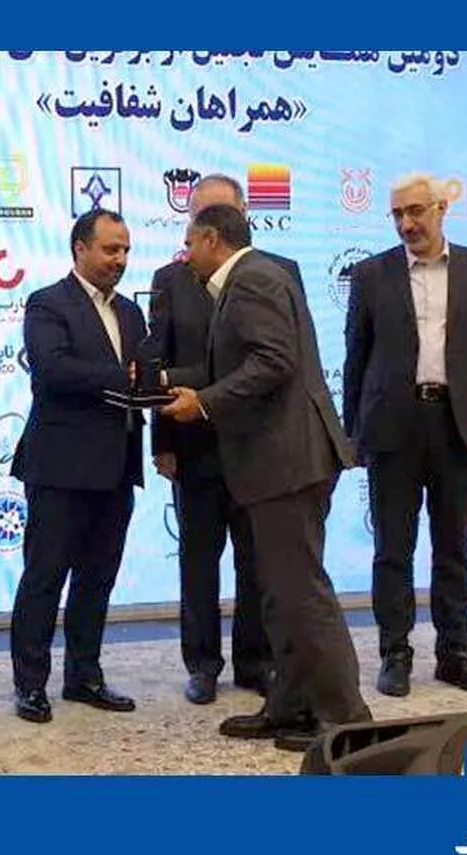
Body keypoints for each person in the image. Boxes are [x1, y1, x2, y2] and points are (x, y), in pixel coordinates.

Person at [162, 204, 371, 751]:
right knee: (280, 593)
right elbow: (250, 362)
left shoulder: (252, 279)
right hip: (279, 461)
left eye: (190, 241)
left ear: (212, 239)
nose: (186, 254)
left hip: (288, 460)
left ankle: (346, 720)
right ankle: (291, 706)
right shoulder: (255, 277)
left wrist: (204, 403)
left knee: (301, 593)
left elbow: (273, 361)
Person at [343, 172, 467, 698]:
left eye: (415, 211)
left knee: (454, 547)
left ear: (442, 210)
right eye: (397, 214)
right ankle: (395, 653)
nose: (406, 223)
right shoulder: (370, 274)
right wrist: (352, 433)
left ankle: (455, 653)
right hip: (392, 426)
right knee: (392, 549)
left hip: (460, 426)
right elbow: (355, 359)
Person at [144, 173, 307, 704]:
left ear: (237, 220)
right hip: (195, 446)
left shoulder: (279, 272)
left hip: (261, 445)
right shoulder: (171, 279)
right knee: (197, 561)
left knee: (258, 561)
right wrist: (163, 442)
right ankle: (202, 664)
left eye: (217, 215)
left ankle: (256, 662)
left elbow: (284, 360)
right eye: (198, 216)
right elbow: (158, 365)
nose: (203, 228)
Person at [9, 209, 147, 724]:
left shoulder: (131, 312)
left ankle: (84, 676)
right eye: (111, 249)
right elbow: (53, 370)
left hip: (117, 466)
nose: (120, 259)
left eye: (125, 250)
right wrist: (121, 376)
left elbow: (141, 376)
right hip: (60, 468)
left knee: (98, 579)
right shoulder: (48, 303)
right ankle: (30, 684)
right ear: (80, 249)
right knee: (44, 578)